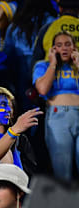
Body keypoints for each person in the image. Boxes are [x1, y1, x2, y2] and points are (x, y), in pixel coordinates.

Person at [33, 30, 79, 182]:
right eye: (59, 45)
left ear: (74, 47)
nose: (64, 48)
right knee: (62, 172)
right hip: (58, 118)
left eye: (68, 44)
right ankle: (66, 205)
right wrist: (53, 64)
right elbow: (43, 89)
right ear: (53, 49)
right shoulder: (43, 65)